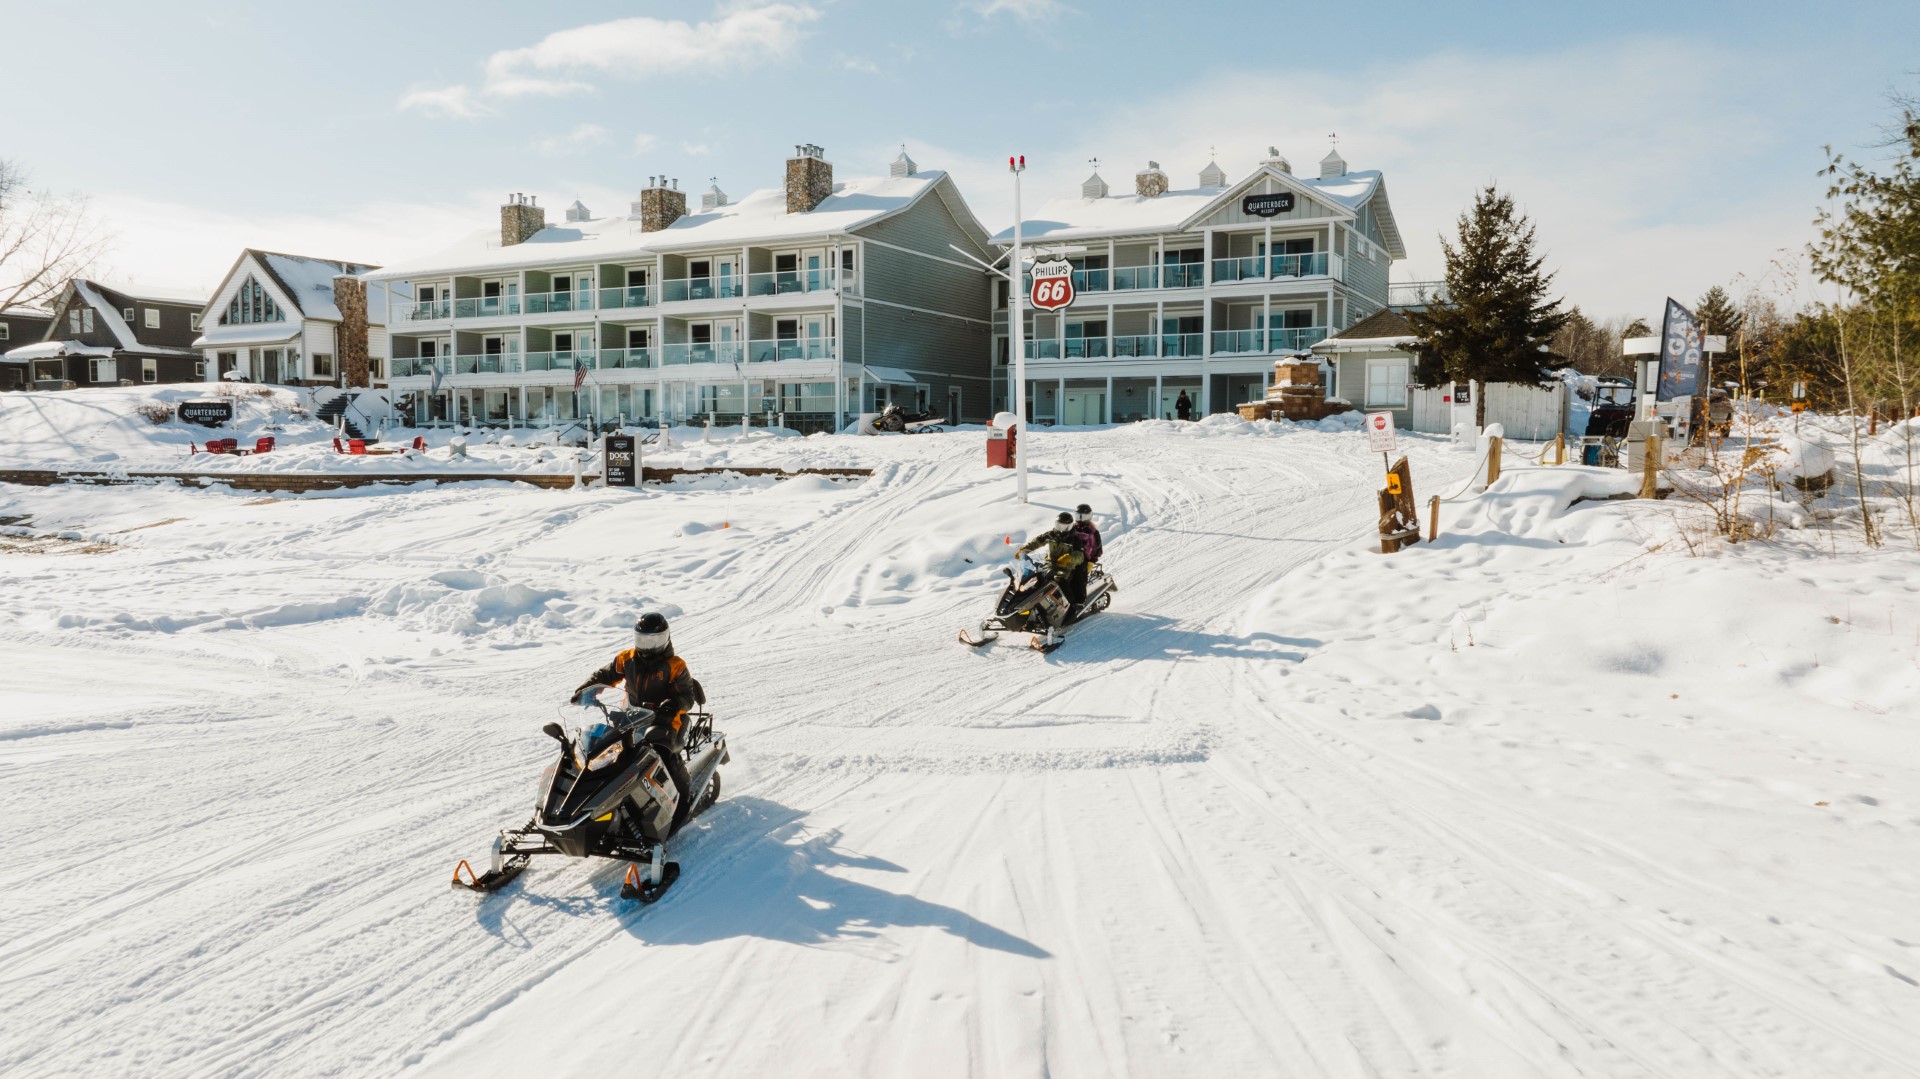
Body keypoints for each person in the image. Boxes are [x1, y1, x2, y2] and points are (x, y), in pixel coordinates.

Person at [571, 612, 697, 836]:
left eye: (653, 641)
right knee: (603, 748)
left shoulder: (675, 665)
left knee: (663, 752)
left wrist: (673, 703)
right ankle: (596, 801)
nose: (647, 647)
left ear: (665, 639)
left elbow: (688, 696)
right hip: (632, 716)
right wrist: (587, 688)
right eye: (642, 640)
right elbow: (607, 674)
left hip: (667, 719)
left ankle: (683, 798)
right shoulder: (627, 658)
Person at [1018, 511, 1091, 617]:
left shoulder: (1074, 540)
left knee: (1059, 580)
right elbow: (1037, 541)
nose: (1061, 529)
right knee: (1036, 580)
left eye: (1064, 526)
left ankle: (1071, 607)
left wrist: (1069, 558)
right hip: (1050, 565)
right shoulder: (1051, 535)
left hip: (1065, 568)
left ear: (1069, 527)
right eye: (1058, 525)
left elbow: (1080, 556)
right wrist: (1025, 550)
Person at [1072, 503, 1104, 567]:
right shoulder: (1071, 528)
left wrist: (1091, 560)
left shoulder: (1092, 532)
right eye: (1078, 516)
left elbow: (1097, 548)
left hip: (1084, 561)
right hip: (1069, 557)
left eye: (1083, 517)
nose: (1080, 519)